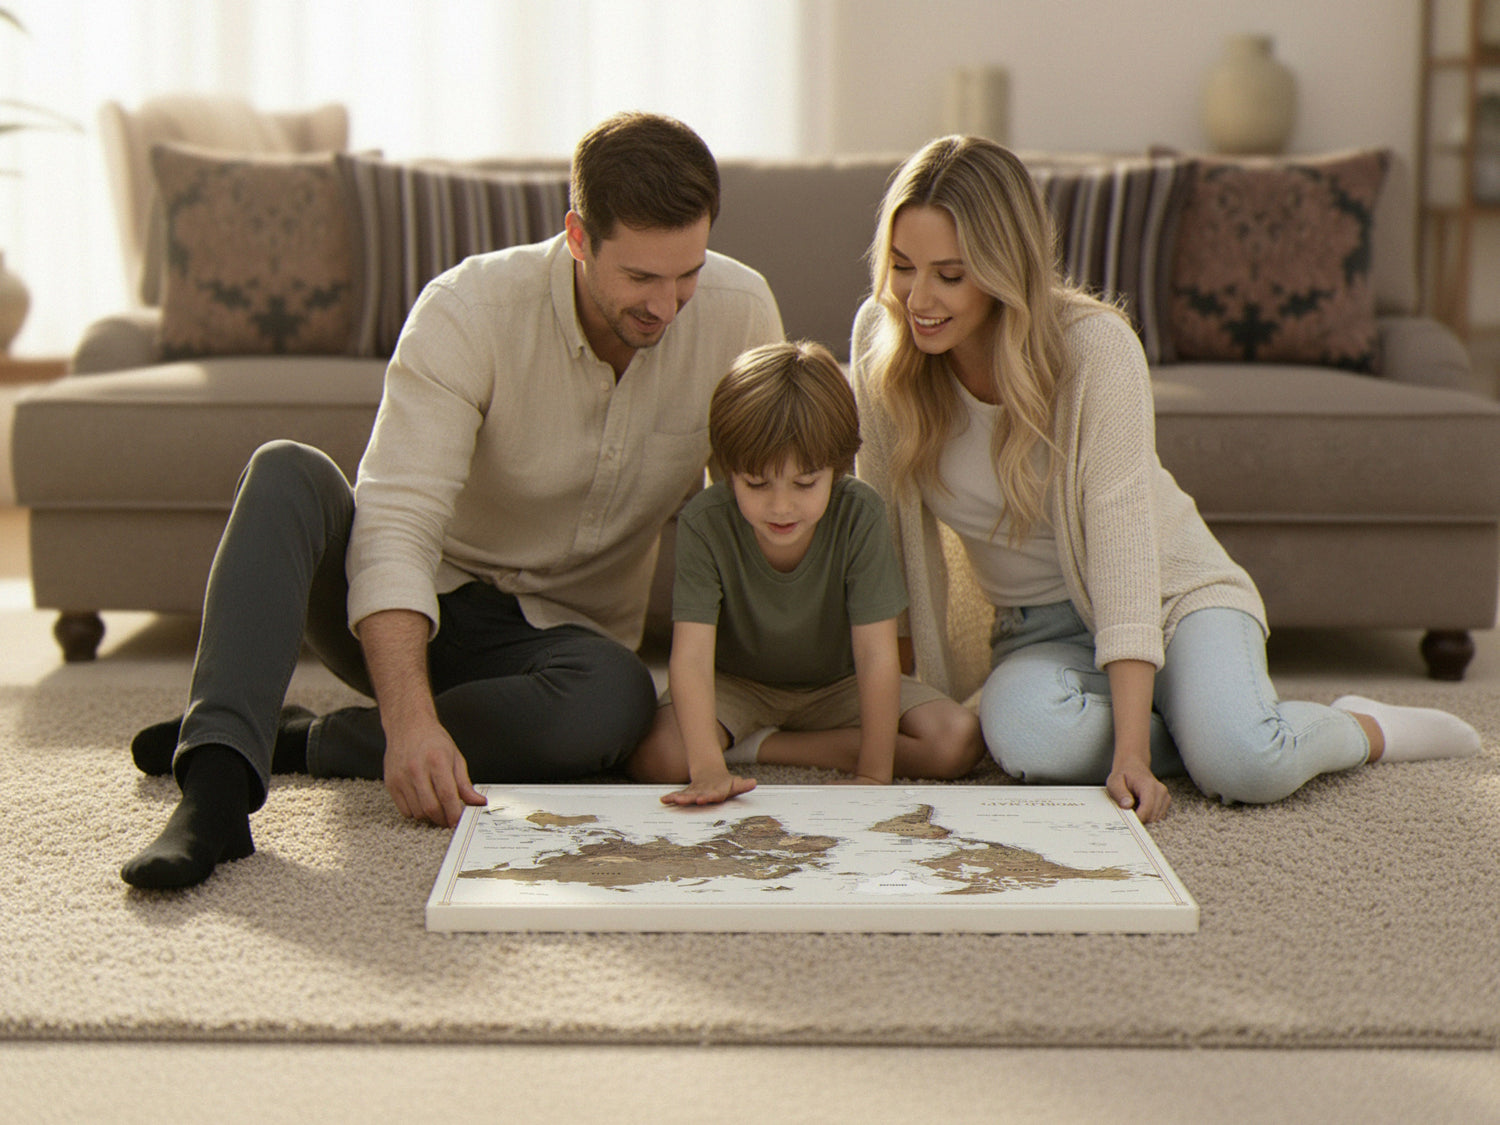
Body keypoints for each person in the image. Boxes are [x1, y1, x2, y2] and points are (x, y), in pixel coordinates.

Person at [121, 112, 785, 889]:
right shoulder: (468, 309)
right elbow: (396, 523)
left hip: (558, 653)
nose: (668, 306)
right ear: (577, 237)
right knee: (286, 471)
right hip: (417, 609)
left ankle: (308, 741)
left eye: (688, 273)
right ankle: (215, 789)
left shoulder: (741, 313)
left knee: (616, 702)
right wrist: (407, 724)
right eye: (641, 278)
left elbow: (756, 515)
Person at [849, 135, 1481, 824]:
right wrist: (898, 700)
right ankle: (1203, 722)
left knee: (1245, 765)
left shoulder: (1094, 349)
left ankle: (1358, 726)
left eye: (950, 274)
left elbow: (1124, 557)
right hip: (1038, 634)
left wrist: (1130, 755)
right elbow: (881, 541)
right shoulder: (883, 346)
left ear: (1006, 270)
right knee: (1024, 734)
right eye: (903, 266)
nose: (918, 298)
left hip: (1172, 596)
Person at [625, 340, 983, 805]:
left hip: (840, 685)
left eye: (805, 483)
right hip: (736, 686)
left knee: (957, 741)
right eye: (756, 484)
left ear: (837, 470)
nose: (780, 506)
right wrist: (708, 769)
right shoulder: (705, 521)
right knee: (658, 758)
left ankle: (760, 746)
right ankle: (736, 747)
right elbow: (691, 658)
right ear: (728, 471)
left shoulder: (860, 513)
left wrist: (874, 774)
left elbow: (877, 655)